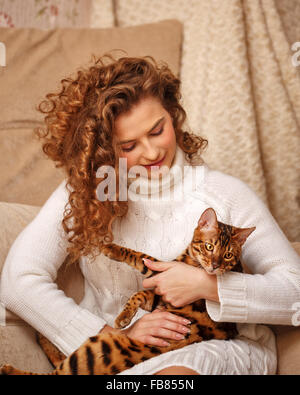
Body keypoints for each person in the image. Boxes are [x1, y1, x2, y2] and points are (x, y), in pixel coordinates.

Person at [1, 54, 300, 375]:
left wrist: (207, 286)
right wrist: (105, 335)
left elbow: (295, 290)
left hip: (213, 348)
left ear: (173, 116)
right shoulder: (89, 191)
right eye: (128, 146)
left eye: (157, 130)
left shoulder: (226, 194)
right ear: (103, 148)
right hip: (120, 354)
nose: (152, 152)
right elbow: (19, 280)